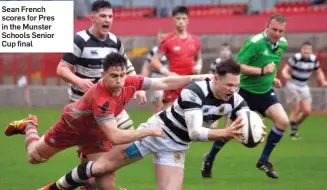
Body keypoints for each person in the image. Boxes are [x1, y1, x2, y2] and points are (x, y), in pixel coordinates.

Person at [38, 59, 266, 190]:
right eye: (228, 85)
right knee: (100, 168)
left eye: (236, 86)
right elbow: (196, 132)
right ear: (215, 79)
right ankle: (57, 187)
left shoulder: (236, 99)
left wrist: (256, 129)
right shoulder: (194, 92)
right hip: (152, 135)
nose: (232, 90)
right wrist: (226, 132)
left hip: (175, 148)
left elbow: (247, 119)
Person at [4, 53, 212, 190]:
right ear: (103, 75)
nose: (120, 81)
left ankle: (77, 184)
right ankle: (29, 124)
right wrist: (147, 131)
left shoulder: (130, 81)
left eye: (122, 75)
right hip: (72, 126)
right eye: (114, 76)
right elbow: (115, 136)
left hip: (97, 133)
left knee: (105, 177)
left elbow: (164, 82)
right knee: (34, 157)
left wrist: (199, 78)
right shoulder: (100, 97)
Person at [56, 0, 143, 189]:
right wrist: (79, 81)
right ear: (92, 17)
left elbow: (125, 65)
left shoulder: (114, 41)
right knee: (98, 145)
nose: (107, 20)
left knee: (127, 136)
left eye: (110, 16)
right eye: (103, 16)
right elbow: (62, 69)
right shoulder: (79, 40)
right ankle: (91, 176)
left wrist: (138, 87)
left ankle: (89, 175)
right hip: (83, 103)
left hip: (108, 101)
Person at [202, 14, 289, 179]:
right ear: (267, 26)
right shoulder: (255, 42)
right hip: (245, 93)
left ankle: (263, 160)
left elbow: (273, 64)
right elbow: (237, 66)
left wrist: (272, 79)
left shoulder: (283, 44)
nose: (277, 34)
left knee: (283, 121)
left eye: (280, 31)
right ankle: (209, 157)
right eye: (274, 29)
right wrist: (263, 72)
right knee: (229, 133)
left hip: (264, 93)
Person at [151, 5, 202, 109]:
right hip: (173, 84)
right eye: (178, 18)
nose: (181, 21)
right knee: (168, 118)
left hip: (190, 84)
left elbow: (199, 59)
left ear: (188, 20)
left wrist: (198, 67)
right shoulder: (167, 40)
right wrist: (168, 73)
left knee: (190, 118)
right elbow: (154, 61)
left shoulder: (195, 40)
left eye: (184, 18)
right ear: (173, 20)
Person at [282, 41, 327, 140]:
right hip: (292, 85)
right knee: (296, 106)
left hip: (304, 86)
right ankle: (293, 133)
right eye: (304, 49)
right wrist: (286, 75)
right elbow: (285, 70)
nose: (306, 51)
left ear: (311, 51)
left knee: (307, 111)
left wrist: (323, 81)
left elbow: (318, 71)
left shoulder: (313, 59)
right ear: (301, 50)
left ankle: (294, 124)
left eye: (308, 49)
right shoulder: (296, 58)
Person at [141, 30, 169, 113]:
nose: (162, 40)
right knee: (158, 105)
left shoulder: (171, 50)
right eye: (161, 38)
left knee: (168, 105)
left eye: (164, 38)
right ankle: (155, 123)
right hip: (157, 79)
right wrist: (142, 84)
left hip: (170, 80)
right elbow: (146, 68)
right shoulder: (154, 51)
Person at [207, 42, 233, 129]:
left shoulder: (233, 62)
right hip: (218, 87)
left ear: (229, 51)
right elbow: (210, 73)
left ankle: (227, 128)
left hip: (229, 88)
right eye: (223, 50)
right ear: (220, 51)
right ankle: (215, 121)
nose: (225, 52)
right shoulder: (216, 62)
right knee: (215, 103)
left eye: (227, 50)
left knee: (228, 106)